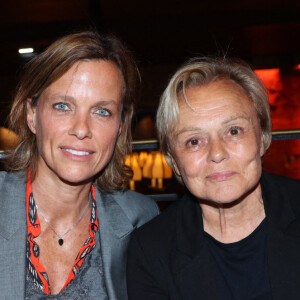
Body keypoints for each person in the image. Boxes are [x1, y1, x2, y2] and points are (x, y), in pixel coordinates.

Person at [0, 31, 158, 299]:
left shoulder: (141, 220)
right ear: (31, 114)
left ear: (120, 125)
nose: (81, 129)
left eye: (102, 111)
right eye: (63, 106)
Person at [127, 57, 300, 300]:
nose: (217, 153)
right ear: (174, 161)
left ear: (261, 138)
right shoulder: (151, 250)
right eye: (194, 141)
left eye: (233, 131)